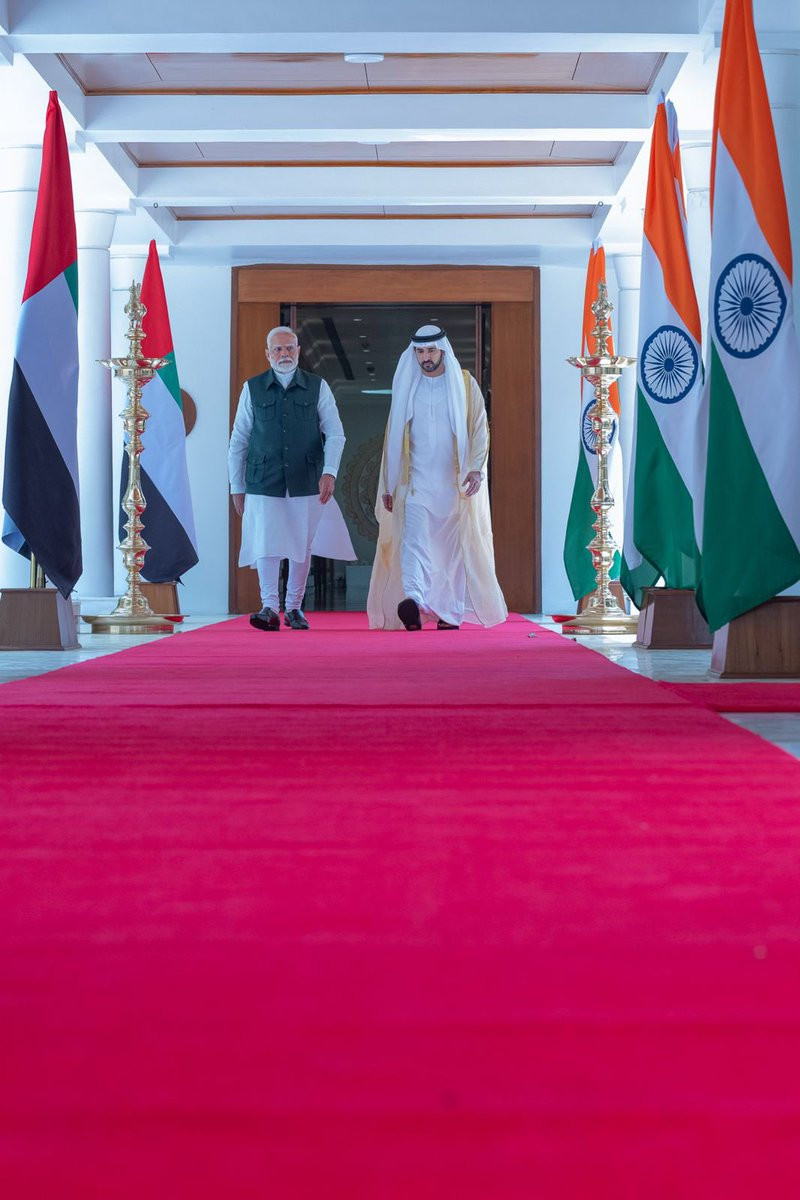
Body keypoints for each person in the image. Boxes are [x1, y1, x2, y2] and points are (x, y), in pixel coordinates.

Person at [367, 324, 507, 631]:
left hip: (453, 487)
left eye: (431, 350)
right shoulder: (408, 385)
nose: (425, 357)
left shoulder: (464, 384)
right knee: (413, 543)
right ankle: (413, 600)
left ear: (442, 350)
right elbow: (392, 438)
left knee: (450, 553)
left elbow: (479, 428)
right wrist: (389, 485)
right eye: (420, 351)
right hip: (415, 484)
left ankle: (449, 613)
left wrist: (476, 468)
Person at [229, 326, 355, 630]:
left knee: (301, 543)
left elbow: (335, 433)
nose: (284, 354)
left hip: (306, 478)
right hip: (263, 478)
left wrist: (329, 471)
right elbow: (239, 439)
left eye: (289, 348)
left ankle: (294, 607)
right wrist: (237, 485)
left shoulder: (317, 386)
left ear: (298, 351)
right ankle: (269, 607)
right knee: (267, 542)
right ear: (267, 354)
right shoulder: (252, 388)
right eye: (278, 349)